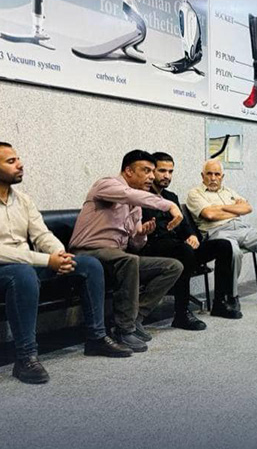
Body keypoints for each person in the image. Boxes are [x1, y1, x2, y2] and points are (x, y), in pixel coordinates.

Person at [0, 142, 133, 384]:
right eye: (11, 161)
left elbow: (42, 235)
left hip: (25, 268)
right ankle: (25, 357)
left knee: (89, 265)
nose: (20, 165)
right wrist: (47, 260)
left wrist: (61, 255)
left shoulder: (23, 200)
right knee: (22, 274)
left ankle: (96, 338)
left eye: (18, 159)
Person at [70, 150, 184, 353]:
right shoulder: (106, 185)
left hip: (117, 257)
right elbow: (128, 194)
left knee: (172, 266)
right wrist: (170, 206)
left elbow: (136, 244)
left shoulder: (135, 206)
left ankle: (136, 317)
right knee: (129, 260)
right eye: (146, 170)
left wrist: (141, 234)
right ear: (129, 171)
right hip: (87, 253)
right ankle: (124, 329)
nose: (151, 176)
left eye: (152, 171)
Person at [139, 152, 242, 330]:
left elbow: (184, 225)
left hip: (177, 246)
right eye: (162, 171)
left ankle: (220, 303)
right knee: (185, 251)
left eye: (170, 171)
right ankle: (181, 314)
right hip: (153, 247)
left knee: (223, 245)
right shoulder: (140, 196)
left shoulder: (171, 196)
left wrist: (192, 236)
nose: (167, 176)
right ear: (151, 172)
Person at [186, 159, 257, 309]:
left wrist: (220, 208)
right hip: (217, 232)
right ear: (202, 175)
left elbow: (247, 208)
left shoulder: (229, 191)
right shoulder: (195, 193)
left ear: (222, 177)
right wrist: (234, 209)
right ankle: (231, 296)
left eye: (217, 174)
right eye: (209, 174)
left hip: (241, 228)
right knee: (233, 251)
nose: (213, 178)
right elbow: (209, 214)